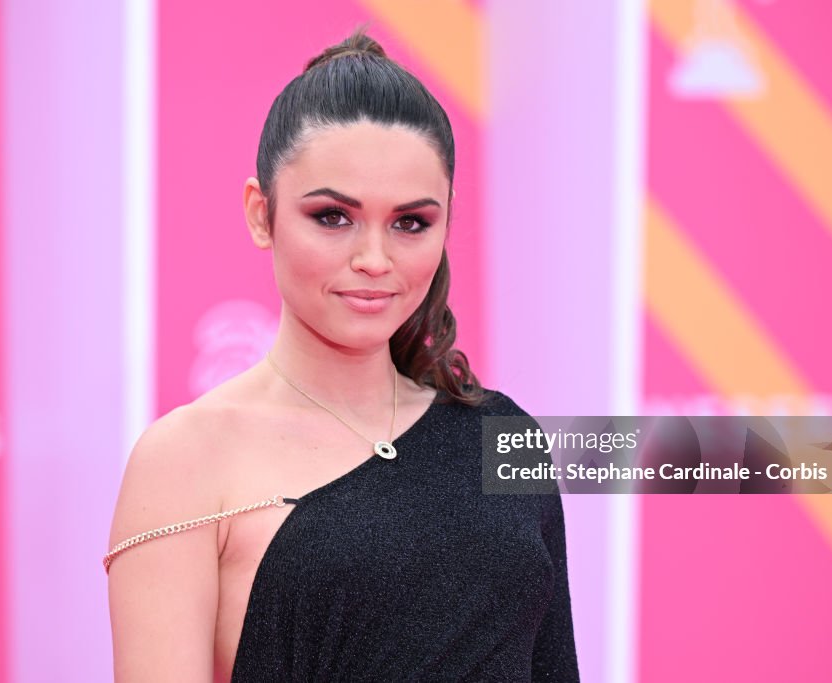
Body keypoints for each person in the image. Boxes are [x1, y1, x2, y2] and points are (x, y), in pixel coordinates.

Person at [106, 26, 580, 682]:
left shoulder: (504, 439)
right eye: (332, 216)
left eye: (411, 223)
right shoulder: (185, 459)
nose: (374, 260)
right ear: (260, 212)